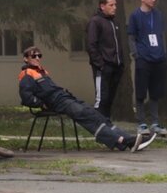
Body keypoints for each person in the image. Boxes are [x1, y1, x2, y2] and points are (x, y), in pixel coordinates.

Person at [18, 46, 155, 152]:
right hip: (56, 103)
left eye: (39, 55)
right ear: (26, 59)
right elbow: (26, 97)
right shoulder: (26, 75)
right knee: (85, 115)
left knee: (95, 114)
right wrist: (42, 105)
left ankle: (128, 139)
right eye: (33, 56)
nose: (37, 58)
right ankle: (122, 141)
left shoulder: (41, 71)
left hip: (64, 98)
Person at [127, 0, 167, 135]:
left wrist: (164, 53)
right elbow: (131, 37)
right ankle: (141, 123)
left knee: (156, 92)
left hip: (159, 58)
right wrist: (136, 55)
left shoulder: (158, 15)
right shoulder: (135, 16)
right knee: (141, 91)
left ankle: (155, 123)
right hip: (143, 58)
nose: (153, 0)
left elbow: (161, 35)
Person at [86, 0, 124, 119]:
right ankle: (98, 126)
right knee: (102, 98)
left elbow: (118, 44)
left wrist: (121, 63)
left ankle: (107, 125)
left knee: (110, 98)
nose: (114, 8)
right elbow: (91, 45)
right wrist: (100, 64)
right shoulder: (95, 21)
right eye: (111, 5)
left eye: (115, 5)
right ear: (102, 6)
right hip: (103, 67)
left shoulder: (114, 22)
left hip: (116, 66)